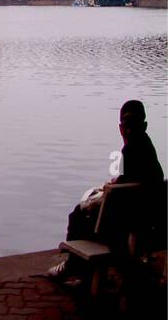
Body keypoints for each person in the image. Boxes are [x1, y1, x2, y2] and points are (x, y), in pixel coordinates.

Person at [47, 99, 164, 280]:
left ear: (121, 128)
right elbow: (141, 179)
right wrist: (119, 182)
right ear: (145, 125)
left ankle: (74, 266)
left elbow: (122, 194)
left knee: (78, 215)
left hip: (120, 228)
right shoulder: (149, 151)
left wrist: (110, 190)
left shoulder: (129, 151)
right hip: (150, 224)